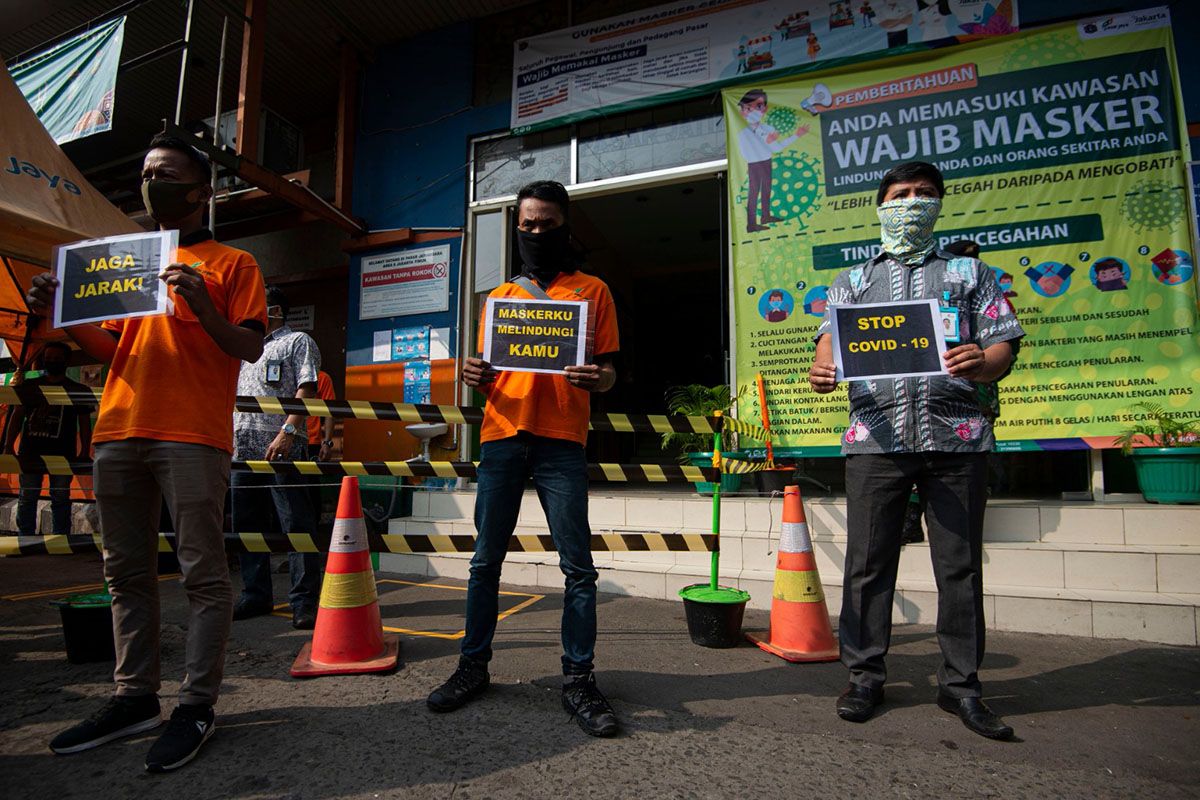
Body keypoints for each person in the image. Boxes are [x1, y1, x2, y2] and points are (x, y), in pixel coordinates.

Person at [28, 134, 267, 771]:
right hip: (118, 429)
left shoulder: (233, 263)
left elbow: (246, 348)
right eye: (145, 172)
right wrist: (58, 310)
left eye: (163, 172)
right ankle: (134, 696)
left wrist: (201, 304)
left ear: (200, 189)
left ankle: (195, 704)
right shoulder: (126, 262)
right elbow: (112, 351)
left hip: (191, 433)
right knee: (124, 573)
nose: (149, 181)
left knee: (202, 574)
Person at [808, 162, 1024, 741]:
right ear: (880, 205)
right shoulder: (851, 282)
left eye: (925, 194)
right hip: (876, 439)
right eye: (901, 194)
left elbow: (1004, 345)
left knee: (959, 567)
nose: (912, 202)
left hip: (957, 439)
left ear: (939, 205)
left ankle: (961, 687)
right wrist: (823, 368)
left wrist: (985, 361)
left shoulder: (968, 273)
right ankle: (863, 677)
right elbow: (829, 341)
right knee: (868, 562)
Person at [426, 180, 621, 737]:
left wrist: (598, 377)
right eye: (527, 225)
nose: (536, 233)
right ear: (518, 229)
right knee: (485, 561)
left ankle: (579, 679)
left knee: (577, 567)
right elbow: (491, 374)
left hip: (562, 439)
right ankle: (472, 667)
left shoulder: (593, 292)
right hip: (502, 434)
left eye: (547, 223)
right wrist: (475, 376)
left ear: (565, 224)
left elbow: (609, 370)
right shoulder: (500, 300)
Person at [230, 285, 323, 630]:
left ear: (275, 310)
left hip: (281, 447)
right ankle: (255, 594)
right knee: (247, 526)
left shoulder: (297, 341)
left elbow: (307, 387)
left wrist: (289, 431)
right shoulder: (244, 349)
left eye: (254, 306)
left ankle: (304, 601)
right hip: (242, 448)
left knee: (296, 524)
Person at [3, 342, 93, 535]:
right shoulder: (29, 387)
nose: (51, 362)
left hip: (63, 453)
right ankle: (24, 538)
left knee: (60, 496)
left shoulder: (76, 389)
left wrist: (84, 451)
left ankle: (60, 539)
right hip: (30, 452)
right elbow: (17, 416)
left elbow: (85, 422)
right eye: (48, 358)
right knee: (27, 495)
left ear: (66, 361)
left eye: (56, 359)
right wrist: (8, 446)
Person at [736, 89, 809, 233]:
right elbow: (745, 153)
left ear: (765, 109)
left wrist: (796, 135)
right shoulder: (743, 133)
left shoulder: (768, 128)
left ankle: (765, 216)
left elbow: (777, 147)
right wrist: (762, 142)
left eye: (758, 107)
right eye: (747, 108)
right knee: (753, 192)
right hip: (755, 165)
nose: (752, 112)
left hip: (766, 161)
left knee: (767, 190)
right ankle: (751, 224)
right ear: (742, 111)